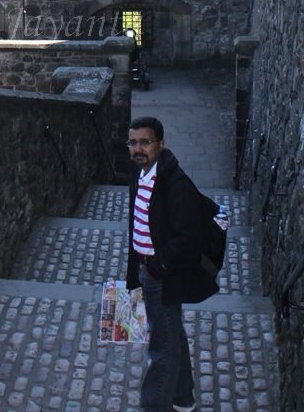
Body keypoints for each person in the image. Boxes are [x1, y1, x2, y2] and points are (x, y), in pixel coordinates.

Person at [125, 116, 218, 412]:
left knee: (161, 351)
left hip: (162, 277)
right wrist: (134, 275)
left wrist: (157, 268)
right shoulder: (140, 176)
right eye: (133, 142)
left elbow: (187, 238)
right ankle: (183, 398)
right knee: (172, 334)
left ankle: (156, 406)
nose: (138, 148)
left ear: (160, 144)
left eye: (145, 142)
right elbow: (137, 228)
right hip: (147, 271)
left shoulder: (176, 184)